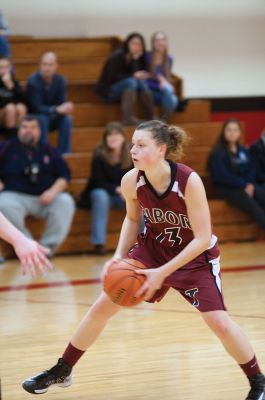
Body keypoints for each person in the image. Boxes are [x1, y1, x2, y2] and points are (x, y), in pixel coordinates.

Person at [22, 119, 265, 399]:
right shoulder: (131, 180)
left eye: (141, 145)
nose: (133, 150)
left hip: (194, 258)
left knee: (220, 323)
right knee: (102, 307)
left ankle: (257, 380)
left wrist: (163, 272)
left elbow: (201, 238)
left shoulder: (188, 181)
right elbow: (132, 217)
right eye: (132, 144)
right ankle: (62, 369)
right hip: (152, 249)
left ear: (162, 149)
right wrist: (117, 257)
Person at [0, 114, 75, 257]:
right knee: (3, 204)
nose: (28, 130)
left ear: (39, 131)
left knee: (66, 202)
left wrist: (53, 192)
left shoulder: (49, 150)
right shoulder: (6, 147)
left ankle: (47, 249)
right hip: (14, 197)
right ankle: (28, 247)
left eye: (33, 127)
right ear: (18, 130)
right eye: (25, 127)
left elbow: (65, 175)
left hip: (44, 197)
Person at [78, 122, 132, 255]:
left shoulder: (131, 154)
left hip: (123, 196)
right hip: (104, 194)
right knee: (100, 195)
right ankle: (99, 243)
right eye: (109, 135)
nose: (112, 138)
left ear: (123, 137)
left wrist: (128, 193)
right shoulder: (100, 154)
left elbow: (135, 178)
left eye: (116, 135)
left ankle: (146, 242)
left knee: (139, 200)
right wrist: (118, 190)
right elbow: (97, 181)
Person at [208, 118, 265, 231]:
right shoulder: (217, 153)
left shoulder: (243, 150)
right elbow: (223, 176)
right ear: (224, 132)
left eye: (235, 130)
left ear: (239, 133)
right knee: (251, 204)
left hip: (246, 185)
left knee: (261, 193)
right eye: (229, 130)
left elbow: (252, 169)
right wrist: (244, 185)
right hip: (226, 187)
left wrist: (249, 184)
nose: (232, 133)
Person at [96, 32, 155, 125]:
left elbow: (139, 74)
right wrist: (133, 75)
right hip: (108, 92)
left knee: (141, 82)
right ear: (127, 44)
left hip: (125, 91)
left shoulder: (139, 57)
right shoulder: (117, 56)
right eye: (134, 43)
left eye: (139, 44)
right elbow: (112, 78)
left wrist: (135, 61)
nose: (136, 46)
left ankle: (151, 117)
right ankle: (128, 118)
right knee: (131, 81)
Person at [26, 52, 74, 155]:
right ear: (40, 65)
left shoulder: (60, 80)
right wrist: (55, 109)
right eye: (45, 64)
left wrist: (66, 107)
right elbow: (36, 107)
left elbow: (62, 102)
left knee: (67, 119)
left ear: (56, 66)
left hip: (53, 116)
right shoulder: (33, 81)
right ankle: (45, 152)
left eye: (51, 64)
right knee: (42, 118)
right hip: (37, 116)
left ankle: (65, 153)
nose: (47, 68)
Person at [146, 31, 178, 122]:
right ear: (152, 43)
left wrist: (165, 82)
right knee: (169, 91)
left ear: (166, 42)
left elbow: (167, 78)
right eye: (156, 40)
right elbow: (145, 78)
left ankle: (162, 122)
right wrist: (160, 82)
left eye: (162, 40)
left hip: (162, 92)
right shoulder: (147, 56)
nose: (160, 42)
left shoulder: (169, 59)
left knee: (174, 99)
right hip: (149, 91)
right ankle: (163, 123)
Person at [0, 57, 27, 136]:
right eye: (1, 67)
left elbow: (24, 101)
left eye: (6, 67)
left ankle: (20, 139)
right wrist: (12, 101)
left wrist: (11, 86)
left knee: (21, 108)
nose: (4, 70)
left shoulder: (13, 81)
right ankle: (10, 141)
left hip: (12, 113)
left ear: (11, 68)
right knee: (10, 107)